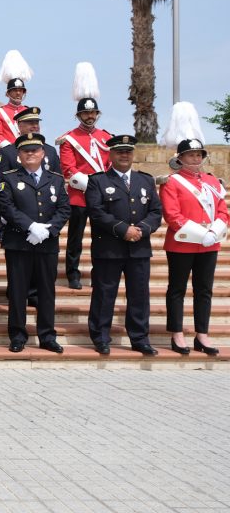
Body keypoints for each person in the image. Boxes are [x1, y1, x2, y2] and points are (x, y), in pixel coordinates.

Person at [83, 135, 162, 355]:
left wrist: (142, 230)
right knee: (104, 294)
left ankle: (139, 338)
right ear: (111, 154)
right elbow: (96, 212)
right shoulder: (98, 181)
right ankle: (100, 337)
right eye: (119, 151)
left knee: (139, 295)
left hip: (139, 247)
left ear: (133, 154)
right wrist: (122, 229)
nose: (124, 155)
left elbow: (156, 212)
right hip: (109, 248)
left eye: (128, 151)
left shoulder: (145, 180)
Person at [0, 134, 71, 354]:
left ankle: (47, 336)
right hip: (19, 243)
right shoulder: (8, 178)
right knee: (18, 292)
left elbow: (64, 209)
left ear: (43, 153)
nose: (30, 153)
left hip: (47, 244)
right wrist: (31, 227)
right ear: (19, 155)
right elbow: (7, 207)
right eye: (25, 150)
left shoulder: (56, 179)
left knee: (47, 292)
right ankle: (18, 335)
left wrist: (47, 230)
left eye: (35, 150)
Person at [160, 138, 227, 356]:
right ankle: (177, 334)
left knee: (204, 291)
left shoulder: (212, 182)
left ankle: (202, 335)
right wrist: (200, 234)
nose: (196, 158)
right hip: (182, 244)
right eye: (191, 155)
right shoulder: (172, 182)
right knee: (177, 289)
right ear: (180, 158)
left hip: (209, 244)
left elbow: (222, 210)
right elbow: (172, 215)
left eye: (199, 154)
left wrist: (214, 232)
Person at [57, 97, 111, 289]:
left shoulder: (106, 137)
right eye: (86, 113)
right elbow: (68, 168)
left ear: (97, 114)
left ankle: (100, 273)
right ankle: (73, 273)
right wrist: (95, 186)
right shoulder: (69, 139)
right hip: (79, 195)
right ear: (78, 115)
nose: (90, 116)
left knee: (102, 238)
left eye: (93, 112)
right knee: (75, 238)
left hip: (103, 198)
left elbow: (109, 165)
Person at [0, 79, 28, 149]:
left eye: (21, 90)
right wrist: (9, 148)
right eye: (15, 90)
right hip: (8, 152)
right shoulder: (0, 112)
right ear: (8, 93)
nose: (18, 93)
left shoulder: (28, 111)